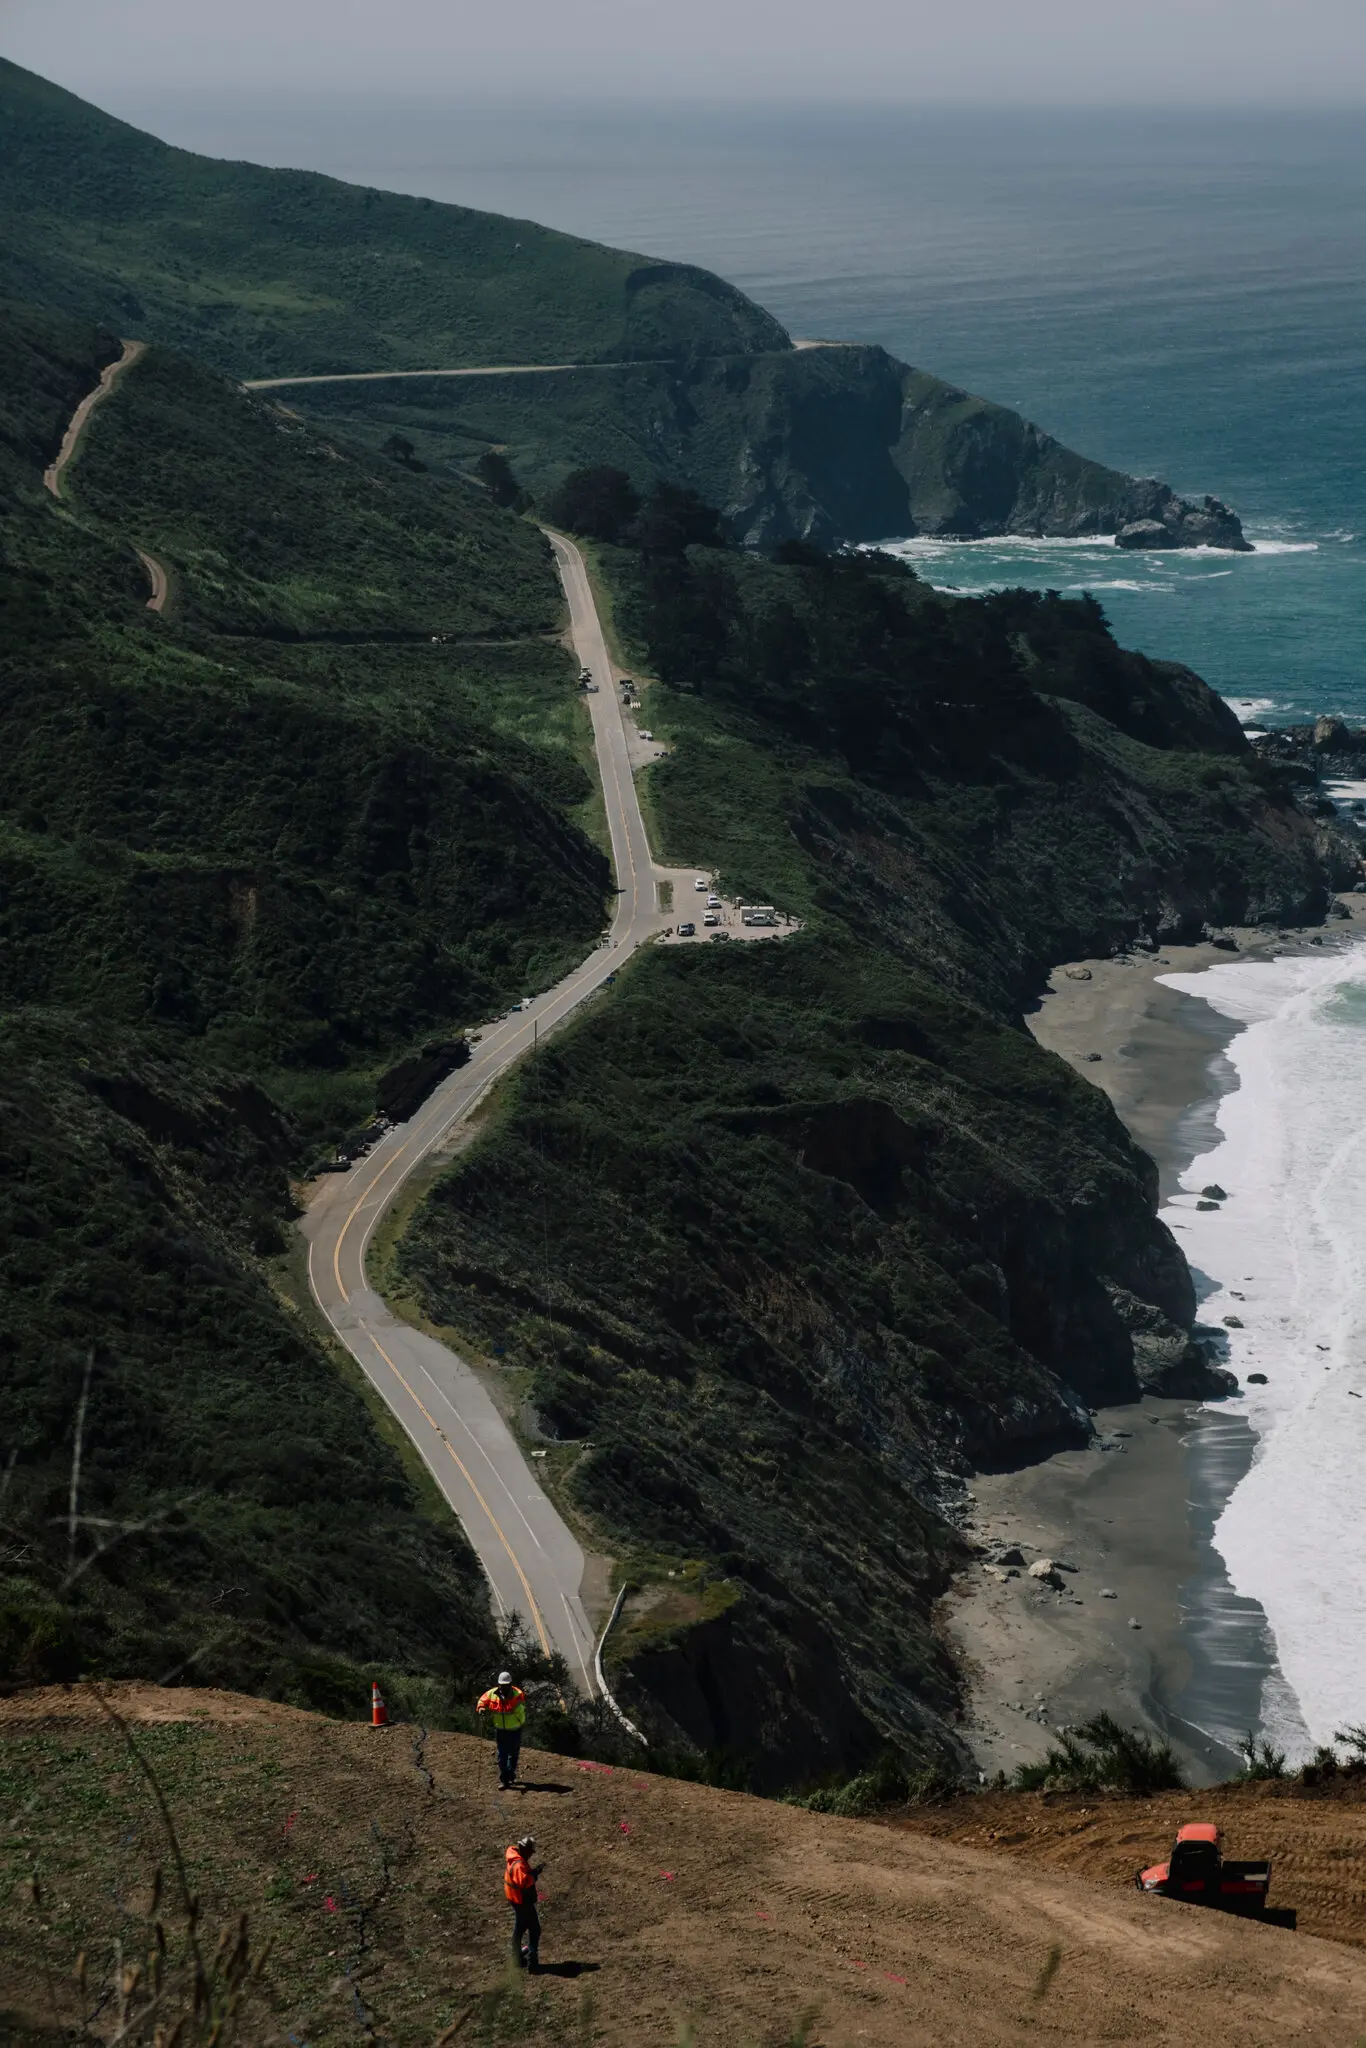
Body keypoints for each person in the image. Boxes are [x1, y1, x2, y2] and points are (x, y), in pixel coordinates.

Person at [476, 1669, 527, 1787]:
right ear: (498, 1685)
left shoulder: (517, 1695)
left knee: (513, 1754)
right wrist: (481, 1708)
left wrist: (505, 1701)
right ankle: (505, 1779)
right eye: (502, 1685)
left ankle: (510, 1774)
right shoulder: (492, 1694)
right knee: (501, 1755)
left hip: (514, 1729)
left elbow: (515, 1708)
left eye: (506, 1685)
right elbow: (482, 1700)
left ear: (510, 1685)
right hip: (500, 1730)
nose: (503, 1688)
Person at [504, 1833, 542, 1972]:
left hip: (516, 1899)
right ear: (525, 1850)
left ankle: (516, 1957)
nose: (531, 1855)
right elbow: (524, 1882)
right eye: (531, 1852)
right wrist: (534, 1875)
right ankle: (532, 1962)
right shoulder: (519, 1864)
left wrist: (533, 1872)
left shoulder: (515, 1857)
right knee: (534, 1929)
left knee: (520, 1928)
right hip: (522, 1901)